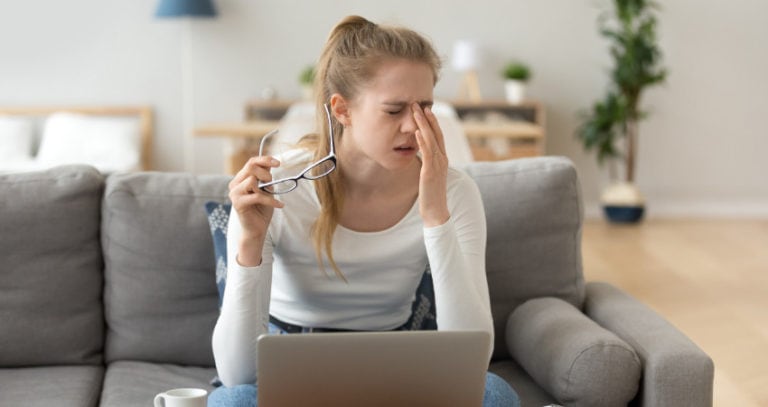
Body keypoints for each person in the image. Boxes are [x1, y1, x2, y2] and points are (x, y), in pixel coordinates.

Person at [208, 15, 520, 407]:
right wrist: (250, 241)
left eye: (425, 107)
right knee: (231, 402)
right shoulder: (278, 186)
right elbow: (237, 374)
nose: (414, 126)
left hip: (397, 363)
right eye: (394, 110)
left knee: (494, 395)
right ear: (342, 110)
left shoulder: (453, 191)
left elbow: (473, 361)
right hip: (291, 362)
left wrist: (435, 215)